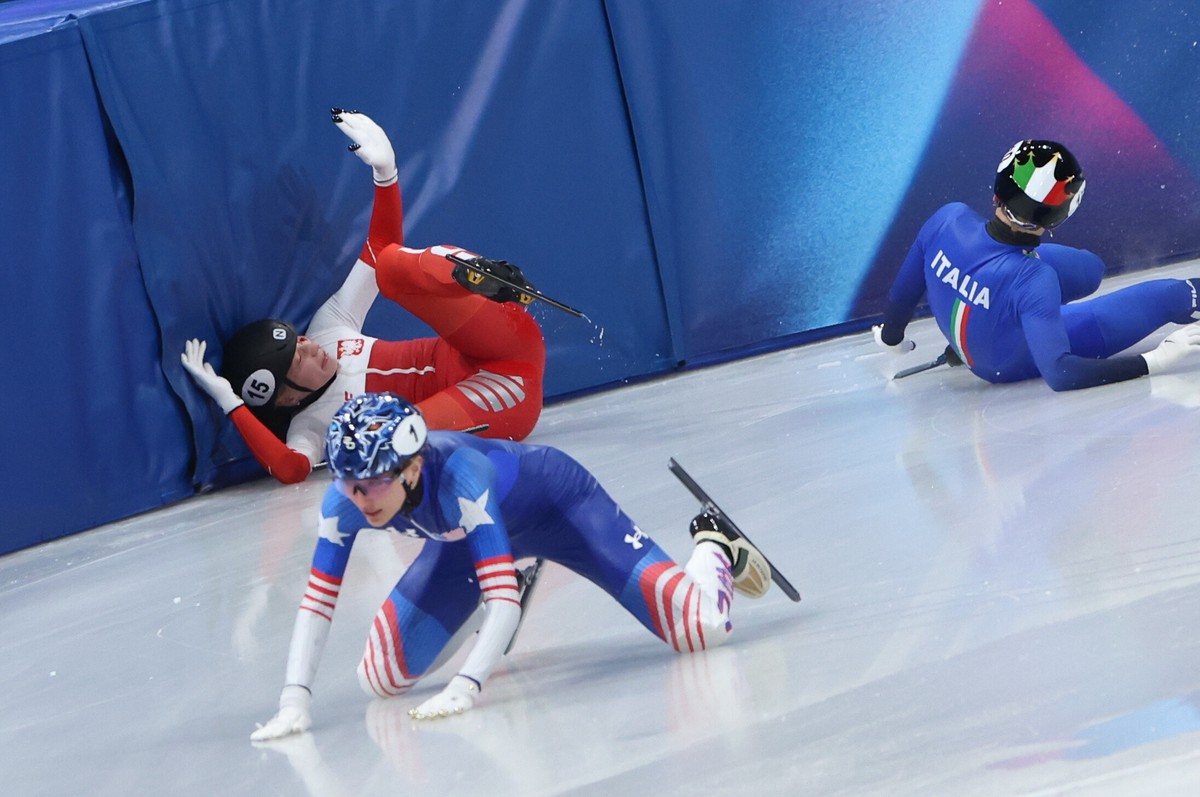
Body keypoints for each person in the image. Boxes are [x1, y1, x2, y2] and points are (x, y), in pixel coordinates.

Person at [248, 392, 775, 740]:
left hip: (561, 508)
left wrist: (466, 686)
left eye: (374, 482)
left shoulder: (463, 477)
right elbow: (317, 602)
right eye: (349, 483)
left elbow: (501, 602)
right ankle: (503, 580)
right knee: (382, 676)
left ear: (412, 468)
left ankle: (713, 544)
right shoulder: (346, 502)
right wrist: (294, 701)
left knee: (702, 629)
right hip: (463, 540)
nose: (361, 498)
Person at [182, 110, 546, 484]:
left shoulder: (327, 329)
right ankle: (468, 278)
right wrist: (229, 400)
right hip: (506, 394)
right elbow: (290, 469)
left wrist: (385, 173)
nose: (308, 346)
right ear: (287, 399)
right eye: (296, 361)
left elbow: (378, 249)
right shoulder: (310, 425)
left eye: (298, 339)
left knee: (388, 265)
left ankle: (478, 273)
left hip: (496, 342)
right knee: (390, 443)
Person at [874, 139, 1200, 391]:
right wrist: (1153, 361)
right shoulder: (1033, 278)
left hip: (982, 340)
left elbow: (903, 295)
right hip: (1007, 359)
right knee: (1168, 297)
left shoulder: (948, 219)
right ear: (1061, 215)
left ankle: (1006, 316)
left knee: (1090, 271)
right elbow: (1060, 373)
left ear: (996, 194)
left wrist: (892, 339)